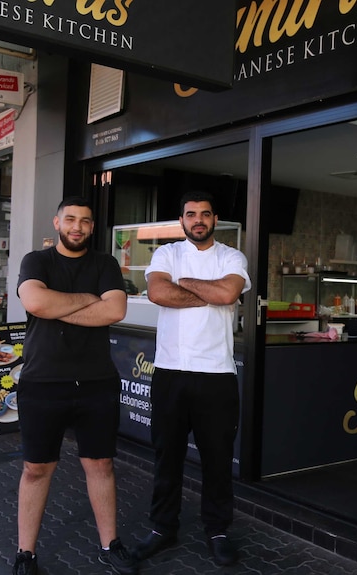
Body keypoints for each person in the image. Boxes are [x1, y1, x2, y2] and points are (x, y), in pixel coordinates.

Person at [12, 196, 137, 575]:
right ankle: (25, 554)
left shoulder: (105, 263)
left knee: (100, 464)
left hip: (97, 382)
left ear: (93, 226)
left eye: (84, 221)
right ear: (57, 222)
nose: (77, 227)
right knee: (36, 468)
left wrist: (60, 306)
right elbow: (36, 303)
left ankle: (109, 545)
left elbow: (114, 310)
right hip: (42, 381)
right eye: (70, 219)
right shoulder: (37, 261)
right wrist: (87, 301)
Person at [136, 191, 251, 566]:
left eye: (204, 214)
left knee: (217, 458)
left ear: (215, 219)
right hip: (170, 371)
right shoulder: (165, 254)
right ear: (182, 220)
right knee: (166, 454)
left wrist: (184, 285)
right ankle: (162, 528)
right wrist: (209, 292)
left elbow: (229, 291)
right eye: (190, 214)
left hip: (216, 373)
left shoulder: (232, 257)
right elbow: (157, 291)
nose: (197, 220)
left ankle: (217, 530)